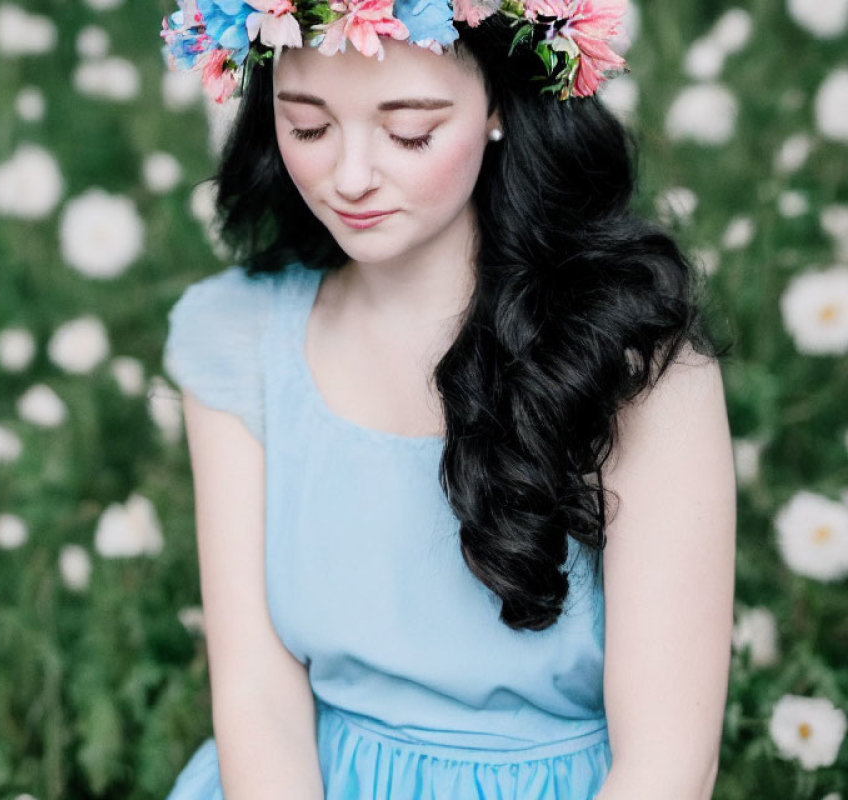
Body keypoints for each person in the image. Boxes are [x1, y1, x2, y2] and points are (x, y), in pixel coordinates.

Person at [159, 0, 737, 797]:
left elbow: (670, 763)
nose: (352, 176)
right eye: (309, 127)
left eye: (410, 132)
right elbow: (259, 701)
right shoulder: (239, 337)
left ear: (499, 105)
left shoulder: (634, 365)